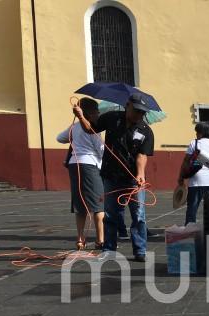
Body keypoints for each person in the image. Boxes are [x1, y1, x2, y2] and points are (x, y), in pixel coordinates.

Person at [74, 92, 155, 262]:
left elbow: (142, 155)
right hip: (111, 176)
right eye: (137, 111)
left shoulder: (146, 131)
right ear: (128, 106)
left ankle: (140, 250)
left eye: (142, 112)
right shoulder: (111, 118)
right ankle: (109, 248)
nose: (139, 115)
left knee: (139, 215)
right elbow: (90, 129)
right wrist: (81, 117)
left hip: (134, 179)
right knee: (111, 215)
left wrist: (140, 174)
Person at [57, 97, 105, 250]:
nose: (98, 114)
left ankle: (80, 240)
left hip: (74, 165)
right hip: (90, 166)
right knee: (99, 205)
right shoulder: (94, 130)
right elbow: (102, 151)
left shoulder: (75, 127)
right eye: (97, 112)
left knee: (80, 205)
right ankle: (100, 240)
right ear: (90, 113)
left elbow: (59, 138)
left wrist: (73, 134)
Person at [177, 121, 209, 225]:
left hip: (197, 182)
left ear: (201, 133)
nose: (196, 135)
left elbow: (186, 161)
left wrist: (181, 177)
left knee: (192, 210)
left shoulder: (195, 143)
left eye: (197, 132)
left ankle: (189, 231)